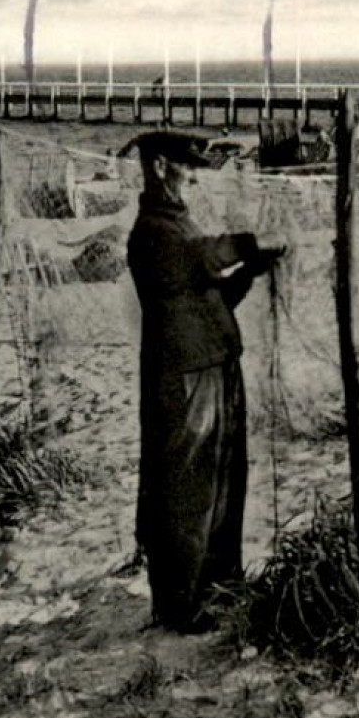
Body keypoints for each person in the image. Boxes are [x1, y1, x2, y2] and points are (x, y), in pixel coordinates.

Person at [124, 130, 285, 634]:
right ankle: (181, 606)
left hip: (214, 367)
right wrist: (248, 244)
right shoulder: (152, 230)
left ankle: (220, 588)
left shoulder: (177, 222)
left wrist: (251, 270)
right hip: (185, 378)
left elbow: (209, 297)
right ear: (156, 168)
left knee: (222, 482)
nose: (193, 175)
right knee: (188, 490)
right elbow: (201, 260)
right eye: (184, 166)